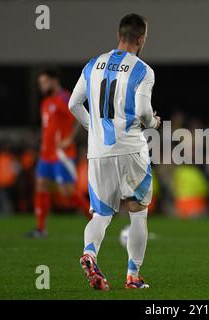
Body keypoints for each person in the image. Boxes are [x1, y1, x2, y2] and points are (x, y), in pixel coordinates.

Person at [68, 13, 161, 290]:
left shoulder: (92, 64)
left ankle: (90, 253)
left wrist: (93, 128)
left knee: (101, 214)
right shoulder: (143, 70)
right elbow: (144, 112)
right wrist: (153, 122)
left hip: (98, 152)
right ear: (141, 38)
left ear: (119, 35)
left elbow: (74, 104)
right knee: (138, 212)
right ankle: (133, 277)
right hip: (131, 148)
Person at [27, 69, 91, 238]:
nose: (42, 86)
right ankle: (40, 229)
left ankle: (94, 221)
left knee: (67, 191)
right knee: (41, 185)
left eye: (44, 82)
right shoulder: (46, 102)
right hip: (46, 154)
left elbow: (80, 118)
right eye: (40, 83)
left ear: (54, 81)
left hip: (62, 154)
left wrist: (69, 140)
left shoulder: (64, 98)